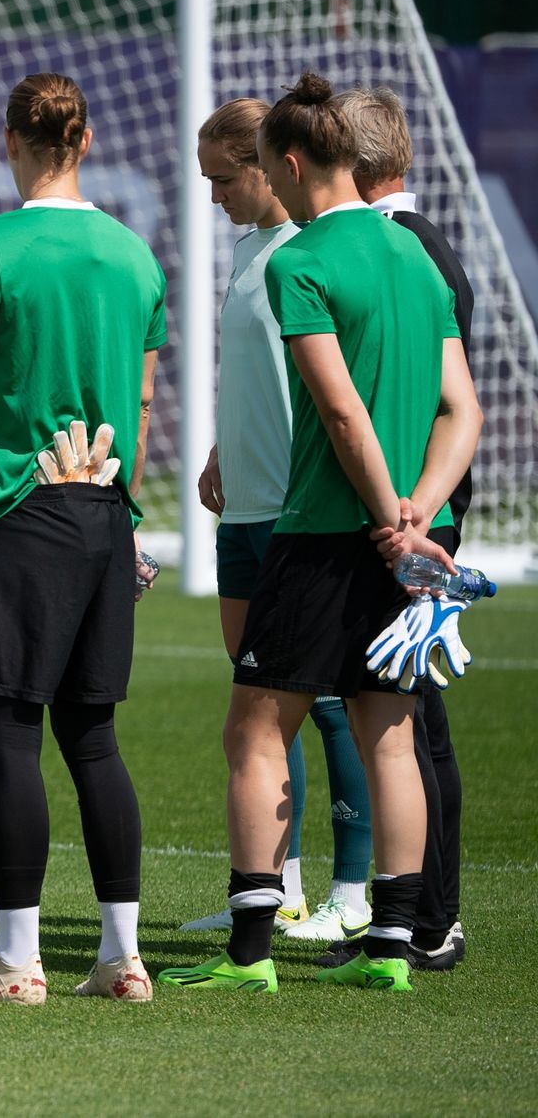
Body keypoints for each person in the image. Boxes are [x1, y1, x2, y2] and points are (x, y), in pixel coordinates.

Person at [161, 72, 480, 995]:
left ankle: (251, 951)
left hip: (324, 533)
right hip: (404, 537)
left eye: (261, 171)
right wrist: (420, 514)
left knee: (254, 729)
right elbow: (463, 410)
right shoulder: (414, 255)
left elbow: (341, 417)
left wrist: (386, 516)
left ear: (292, 164)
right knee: (391, 735)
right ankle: (391, 948)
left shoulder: (300, 261)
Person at [0, 73, 165, 1006]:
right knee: (94, 737)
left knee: (9, 732)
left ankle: (16, 961)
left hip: (18, 509)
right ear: (83, 143)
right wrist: (119, 497)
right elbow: (139, 399)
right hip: (103, 507)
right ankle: (121, 957)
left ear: (11, 140)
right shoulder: (135, 253)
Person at [179, 97, 374, 942]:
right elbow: (263, 373)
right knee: (259, 697)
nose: (215, 195)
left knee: (329, 701)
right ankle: (277, 883)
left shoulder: (307, 251)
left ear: (265, 165)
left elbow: (329, 392)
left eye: (223, 178)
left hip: (302, 515)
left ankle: (356, 888)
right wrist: (225, 444)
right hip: (246, 509)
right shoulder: (249, 251)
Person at [314, 84, 474, 972]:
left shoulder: (400, 248)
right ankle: (417, 917)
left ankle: (430, 917)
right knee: (409, 721)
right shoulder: (421, 245)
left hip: (410, 519)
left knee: (415, 727)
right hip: (421, 511)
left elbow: (437, 401)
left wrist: (410, 510)